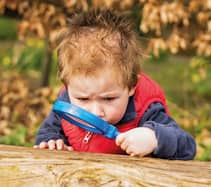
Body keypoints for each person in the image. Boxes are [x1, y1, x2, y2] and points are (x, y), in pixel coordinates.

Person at [34, 9, 196, 160]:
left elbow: (187, 146)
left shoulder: (147, 110)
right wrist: (51, 141)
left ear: (131, 86)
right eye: (83, 99)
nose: (96, 112)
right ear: (68, 87)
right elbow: (49, 130)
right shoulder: (67, 102)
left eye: (109, 99)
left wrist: (154, 138)